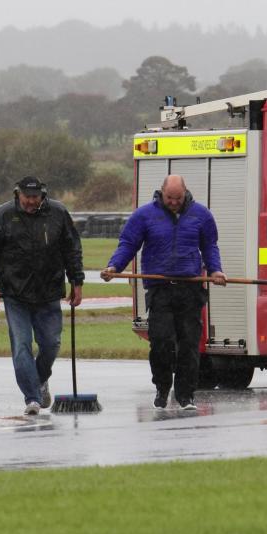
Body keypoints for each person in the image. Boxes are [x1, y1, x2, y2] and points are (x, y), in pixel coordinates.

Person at [101, 175, 226, 411]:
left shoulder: (202, 215)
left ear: (185, 193)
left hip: (190, 287)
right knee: (161, 342)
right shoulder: (144, 215)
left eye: (178, 198)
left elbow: (210, 246)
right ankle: (161, 386)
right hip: (159, 289)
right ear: (161, 193)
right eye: (170, 198)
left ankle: (186, 395)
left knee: (189, 344)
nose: (174, 202)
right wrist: (114, 266)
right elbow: (128, 243)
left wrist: (216, 270)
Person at [0, 176, 84, 416]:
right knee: (22, 346)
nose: (31, 202)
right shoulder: (4, 215)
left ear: (42, 196)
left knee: (51, 344)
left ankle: (40, 378)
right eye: (28, 198)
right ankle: (33, 398)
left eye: (36, 198)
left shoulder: (58, 212)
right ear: (18, 194)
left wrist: (77, 281)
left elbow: (72, 248)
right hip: (15, 294)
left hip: (49, 293)